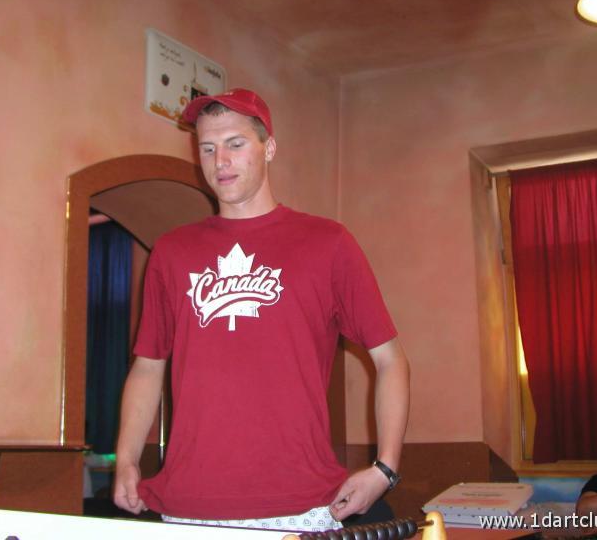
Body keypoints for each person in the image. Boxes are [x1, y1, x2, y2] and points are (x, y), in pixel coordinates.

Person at [112, 88, 410, 532]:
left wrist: (385, 469)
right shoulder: (172, 252)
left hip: (304, 505)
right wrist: (126, 459)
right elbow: (148, 366)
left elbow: (390, 359)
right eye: (207, 148)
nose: (220, 161)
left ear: (268, 147)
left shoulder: (327, 243)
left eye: (235, 144)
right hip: (189, 506)